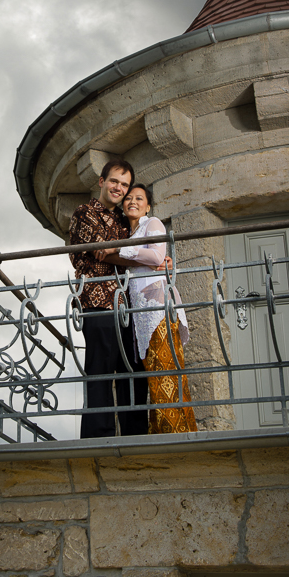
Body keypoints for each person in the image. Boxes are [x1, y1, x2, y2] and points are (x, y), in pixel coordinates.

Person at [98, 183, 197, 433]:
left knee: (166, 371)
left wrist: (119, 249)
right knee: (154, 376)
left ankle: (178, 433)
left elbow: (155, 258)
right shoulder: (128, 235)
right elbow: (140, 259)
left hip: (157, 309)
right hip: (140, 314)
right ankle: (161, 432)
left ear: (148, 205)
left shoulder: (152, 224)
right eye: (128, 198)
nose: (132, 201)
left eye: (139, 198)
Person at [68, 160, 148, 437]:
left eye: (124, 185)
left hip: (127, 304)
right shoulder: (85, 212)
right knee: (100, 370)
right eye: (115, 181)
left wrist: (153, 257)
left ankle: (135, 433)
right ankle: (97, 435)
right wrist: (146, 259)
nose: (119, 188)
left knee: (132, 369)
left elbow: (134, 248)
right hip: (97, 299)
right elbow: (102, 251)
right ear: (102, 181)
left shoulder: (124, 219)